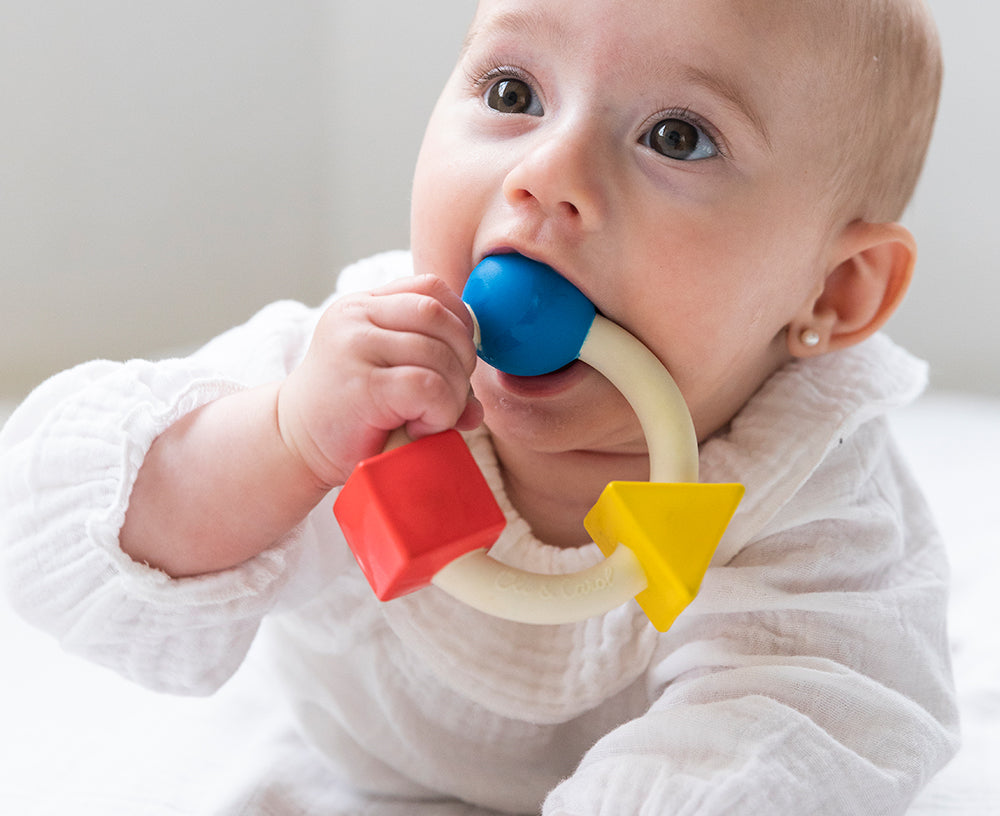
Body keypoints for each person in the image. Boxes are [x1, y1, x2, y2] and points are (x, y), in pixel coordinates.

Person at [0, 0, 957, 813]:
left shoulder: (815, 495)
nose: (548, 173)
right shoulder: (357, 373)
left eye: (677, 137)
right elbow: (73, 530)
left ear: (834, 292)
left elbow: (789, 742)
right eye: (512, 93)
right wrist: (285, 440)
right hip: (359, 760)